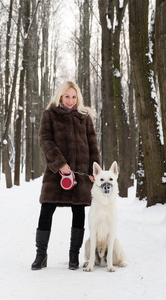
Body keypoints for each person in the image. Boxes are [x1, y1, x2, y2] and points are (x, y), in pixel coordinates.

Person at [31, 81, 101, 271]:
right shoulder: (50, 114)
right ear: (61, 97)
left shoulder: (84, 117)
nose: (70, 100)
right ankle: (41, 255)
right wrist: (60, 164)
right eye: (67, 96)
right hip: (56, 173)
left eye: (74, 96)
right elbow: (45, 141)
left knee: (78, 212)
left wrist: (96, 173)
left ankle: (73, 257)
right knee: (46, 211)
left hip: (81, 174)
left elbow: (93, 145)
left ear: (78, 98)